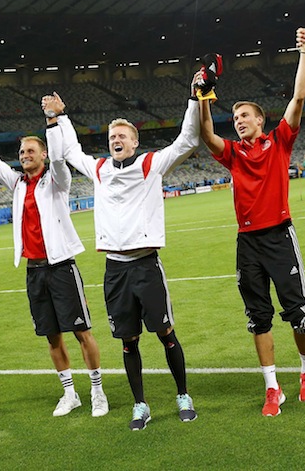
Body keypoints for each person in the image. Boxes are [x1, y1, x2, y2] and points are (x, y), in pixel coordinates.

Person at [46, 86, 200, 431]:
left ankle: (183, 395)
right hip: (114, 269)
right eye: (112, 136)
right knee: (128, 341)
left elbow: (187, 140)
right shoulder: (100, 170)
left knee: (165, 332)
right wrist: (59, 116)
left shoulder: (149, 164)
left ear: (134, 142)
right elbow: (71, 150)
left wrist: (194, 99)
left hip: (146, 265)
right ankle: (140, 404)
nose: (115, 139)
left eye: (122, 136)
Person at [197, 30, 305, 417]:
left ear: (260, 119)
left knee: (297, 313)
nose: (237, 122)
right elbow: (206, 135)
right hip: (247, 241)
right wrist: (202, 96)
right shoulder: (233, 155)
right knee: (257, 318)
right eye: (233, 118)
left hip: (280, 236)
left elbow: (298, 97)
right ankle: (271, 388)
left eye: (243, 116)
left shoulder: (280, 141)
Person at [0, 101, 109, 419]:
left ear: (43, 154)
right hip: (34, 271)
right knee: (51, 335)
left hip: (61, 267)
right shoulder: (18, 184)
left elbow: (60, 157)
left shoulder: (57, 180)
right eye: (21, 153)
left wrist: (52, 118)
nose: (24, 156)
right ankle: (69, 393)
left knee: (82, 331)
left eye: (31, 151)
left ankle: (97, 391)